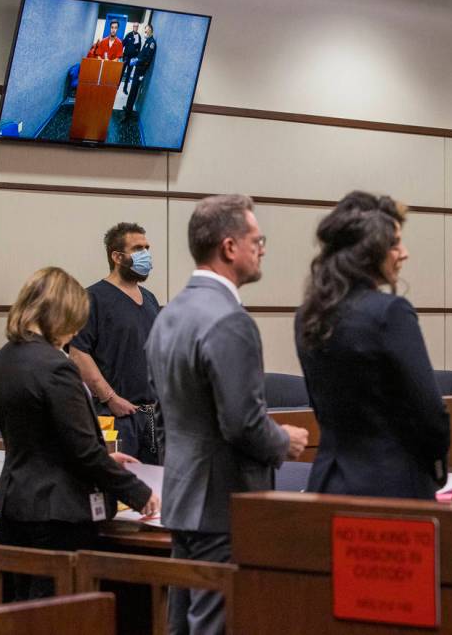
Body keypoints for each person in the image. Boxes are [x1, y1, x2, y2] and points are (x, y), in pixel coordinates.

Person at [146, 194, 308, 635]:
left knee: (182, 624)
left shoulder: (168, 314)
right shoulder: (230, 319)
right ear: (230, 247)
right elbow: (241, 422)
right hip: (223, 502)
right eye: (258, 239)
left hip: (182, 498)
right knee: (216, 626)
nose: (264, 249)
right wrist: (284, 441)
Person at [0, 267, 159, 600]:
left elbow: (41, 437)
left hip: (13, 505)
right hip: (56, 514)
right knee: (56, 616)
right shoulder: (55, 366)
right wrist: (140, 494)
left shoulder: (4, 359)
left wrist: (106, 457)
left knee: (20, 614)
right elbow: (84, 453)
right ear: (63, 313)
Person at [295, 191, 450, 499]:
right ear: (370, 251)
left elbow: (320, 406)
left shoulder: (307, 316)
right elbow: (430, 412)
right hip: (391, 489)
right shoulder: (390, 313)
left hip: (328, 483)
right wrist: (435, 467)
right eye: (394, 243)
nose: (403, 253)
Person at [69, 223, 161, 464]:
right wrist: (110, 398)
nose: (146, 255)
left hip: (153, 417)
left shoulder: (150, 299)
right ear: (117, 256)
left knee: (154, 492)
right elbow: (78, 353)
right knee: (119, 490)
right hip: (116, 416)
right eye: (138, 248)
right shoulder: (92, 298)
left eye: (147, 248)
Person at [123, 24, 157, 121]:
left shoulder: (152, 43)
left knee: (133, 92)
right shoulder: (147, 41)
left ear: (151, 30)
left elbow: (147, 59)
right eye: (145, 31)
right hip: (138, 70)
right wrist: (136, 58)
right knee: (132, 91)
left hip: (140, 73)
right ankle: (128, 107)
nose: (145, 33)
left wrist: (137, 61)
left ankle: (127, 115)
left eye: (146, 31)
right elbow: (142, 55)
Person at [121, 22, 142, 93]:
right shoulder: (129, 35)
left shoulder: (139, 36)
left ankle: (125, 88)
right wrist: (121, 54)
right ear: (133, 27)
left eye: (137, 26)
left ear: (138, 28)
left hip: (132, 59)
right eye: (135, 26)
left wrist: (136, 58)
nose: (136, 28)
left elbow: (139, 49)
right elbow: (122, 44)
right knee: (122, 71)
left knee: (128, 74)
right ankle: (117, 86)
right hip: (126, 57)